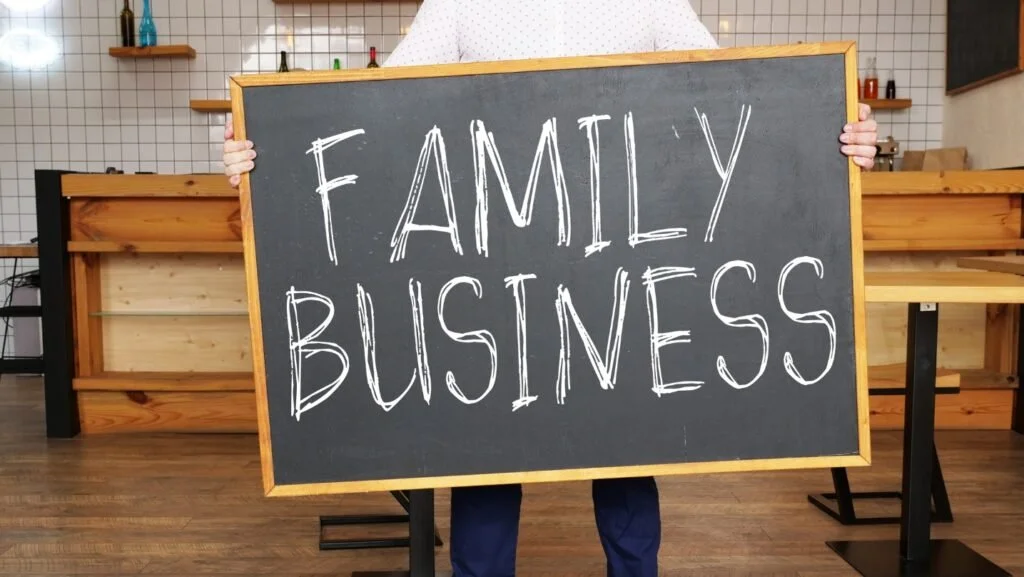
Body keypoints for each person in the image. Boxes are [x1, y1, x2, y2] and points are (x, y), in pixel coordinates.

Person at [223, 2, 878, 576]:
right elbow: (370, 110)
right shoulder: (460, 4)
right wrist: (269, 145)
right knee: (484, 464)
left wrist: (829, 124)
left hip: (614, 278)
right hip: (493, 280)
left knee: (627, 453)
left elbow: (737, 95)